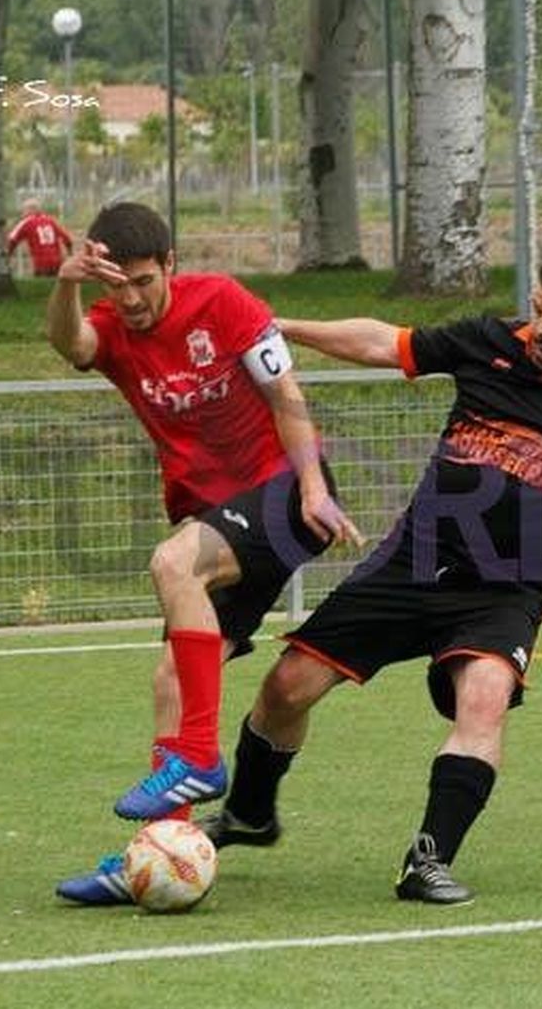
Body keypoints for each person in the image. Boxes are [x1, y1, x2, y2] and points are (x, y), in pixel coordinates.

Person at [59, 249, 542, 907]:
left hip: (504, 587)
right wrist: (281, 329)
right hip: (411, 563)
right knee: (285, 687)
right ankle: (253, 813)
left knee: (483, 697)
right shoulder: (489, 342)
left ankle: (428, 859)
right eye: (538, 313)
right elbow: (382, 343)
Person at [49, 202, 361, 905]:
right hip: (214, 514)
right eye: (115, 286)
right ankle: (161, 851)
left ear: (171, 267)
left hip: (283, 493)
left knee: (171, 563)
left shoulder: (221, 301)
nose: (130, 298)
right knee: (170, 677)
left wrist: (313, 487)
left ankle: (197, 755)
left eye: (143, 281)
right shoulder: (106, 325)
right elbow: (70, 345)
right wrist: (67, 283)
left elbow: (285, 391)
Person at [7, 198, 75, 277]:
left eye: (24, 210)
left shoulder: (26, 222)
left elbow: (11, 240)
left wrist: (8, 256)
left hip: (41, 264)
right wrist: (70, 253)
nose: (23, 213)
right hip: (57, 263)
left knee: (41, 287)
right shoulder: (50, 220)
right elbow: (67, 239)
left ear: (31, 210)